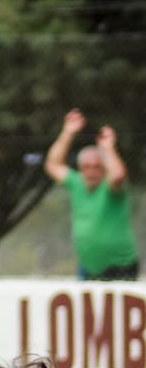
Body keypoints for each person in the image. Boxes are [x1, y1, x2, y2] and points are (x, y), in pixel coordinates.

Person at [43, 108, 137, 281]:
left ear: (104, 168)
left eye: (96, 166)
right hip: (87, 267)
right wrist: (67, 133)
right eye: (86, 167)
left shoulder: (111, 187)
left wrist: (108, 149)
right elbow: (52, 164)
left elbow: (118, 175)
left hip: (120, 267)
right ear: (80, 169)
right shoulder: (76, 182)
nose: (91, 171)